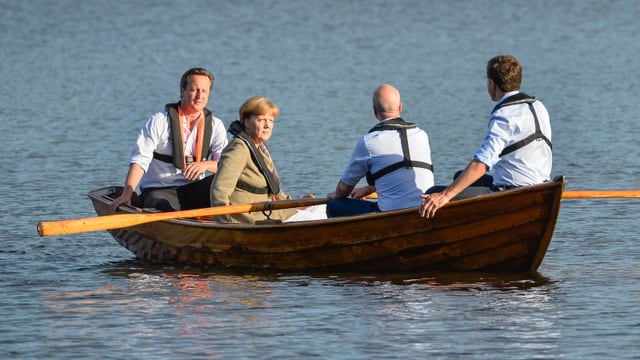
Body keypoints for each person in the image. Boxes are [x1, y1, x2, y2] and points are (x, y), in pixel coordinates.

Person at [419, 54, 552, 218]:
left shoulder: (504, 114)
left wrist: (445, 195)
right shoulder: (538, 106)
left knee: (433, 193)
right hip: (542, 185)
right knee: (459, 177)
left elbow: (483, 163)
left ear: (492, 83)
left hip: (514, 191)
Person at [111, 67, 228, 212]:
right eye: (194, 90)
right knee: (163, 206)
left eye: (204, 91)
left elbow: (225, 165)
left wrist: (205, 165)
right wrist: (126, 194)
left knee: (226, 182)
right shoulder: (159, 121)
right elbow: (140, 160)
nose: (199, 96)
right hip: (159, 191)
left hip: (193, 190)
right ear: (182, 90)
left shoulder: (216, 125)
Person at [210, 96, 325, 224]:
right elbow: (219, 190)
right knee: (320, 219)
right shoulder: (239, 149)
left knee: (324, 209)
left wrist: (295, 203)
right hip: (253, 217)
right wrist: (225, 224)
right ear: (246, 122)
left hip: (270, 210)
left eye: (270, 120)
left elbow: (273, 189)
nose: (267, 125)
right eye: (261, 120)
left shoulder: (260, 148)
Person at [326, 84, 435, 217]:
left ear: (374, 110)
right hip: (425, 208)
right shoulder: (421, 135)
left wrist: (335, 196)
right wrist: (369, 189)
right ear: (400, 107)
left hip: (391, 215)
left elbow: (344, 189)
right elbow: (402, 175)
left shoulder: (369, 141)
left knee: (335, 205)